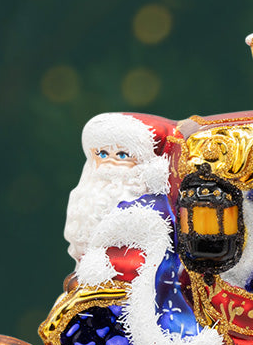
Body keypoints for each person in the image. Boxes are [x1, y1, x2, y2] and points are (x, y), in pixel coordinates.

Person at [63, 111, 174, 268]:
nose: (110, 162)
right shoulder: (87, 193)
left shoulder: (145, 196)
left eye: (122, 155)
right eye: (102, 154)